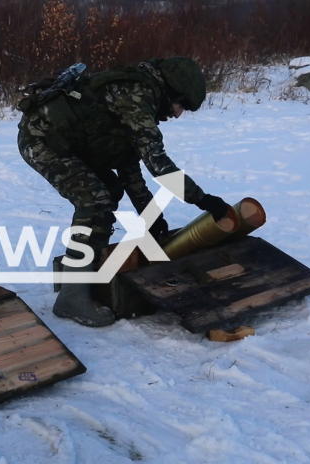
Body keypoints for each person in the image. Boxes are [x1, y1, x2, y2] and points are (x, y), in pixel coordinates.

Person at [17, 57, 230, 328]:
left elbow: (130, 168)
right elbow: (158, 164)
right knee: (95, 201)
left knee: (109, 190)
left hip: (73, 143)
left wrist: (152, 217)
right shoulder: (136, 96)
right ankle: (72, 296)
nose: (177, 114)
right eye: (181, 105)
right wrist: (204, 200)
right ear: (171, 93)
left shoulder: (139, 94)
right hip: (43, 140)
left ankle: (87, 264)